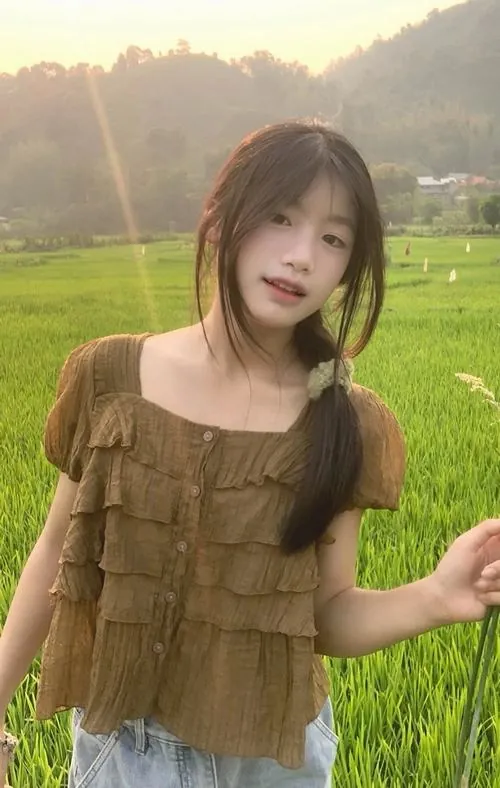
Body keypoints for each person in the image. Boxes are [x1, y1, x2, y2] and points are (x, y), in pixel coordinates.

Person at [1, 119, 499, 788]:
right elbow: (56, 552)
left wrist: (437, 594)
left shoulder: (345, 422)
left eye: (333, 239)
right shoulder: (109, 377)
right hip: (128, 755)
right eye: (280, 217)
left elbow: (326, 615)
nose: (302, 256)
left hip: (278, 761)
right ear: (218, 219)